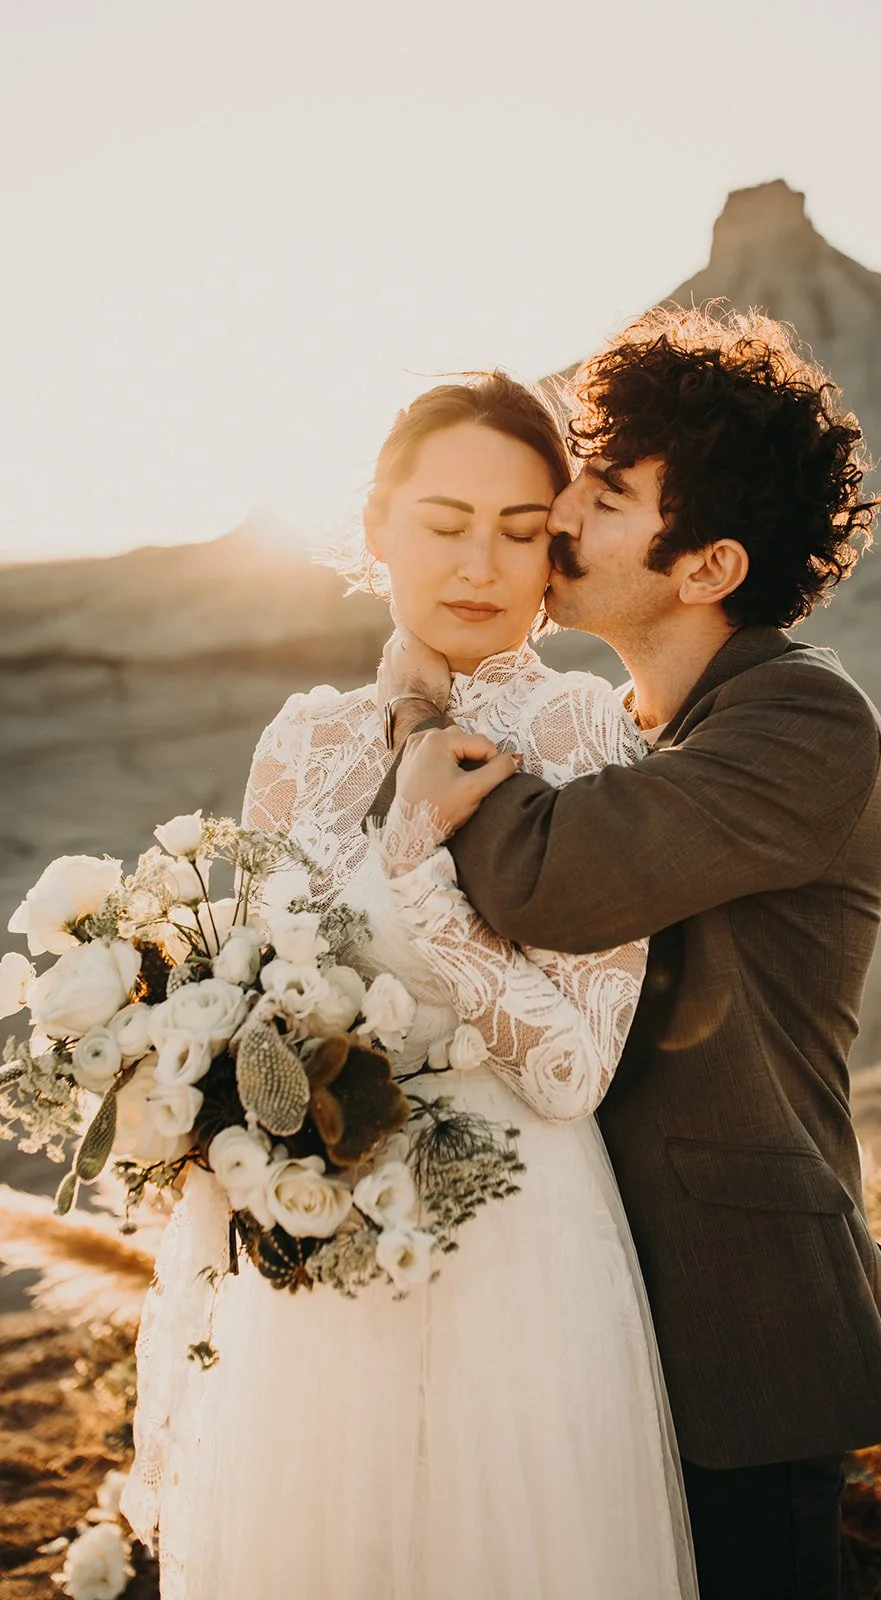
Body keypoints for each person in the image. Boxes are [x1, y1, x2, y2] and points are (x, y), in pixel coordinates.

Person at [371, 307, 881, 1600]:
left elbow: (545, 876)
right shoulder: (634, 719)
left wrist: (428, 711)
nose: (563, 514)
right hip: (590, 1311)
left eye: (612, 492)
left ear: (703, 569)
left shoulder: (801, 722)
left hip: (737, 1326)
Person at [122, 372, 697, 1600]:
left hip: (517, 1252)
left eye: (520, 529)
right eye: (443, 523)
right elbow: (256, 991)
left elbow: (570, 1067)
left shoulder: (586, 728)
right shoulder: (305, 737)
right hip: (313, 1249)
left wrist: (413, 870)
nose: (479, 563)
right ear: (375, 523)